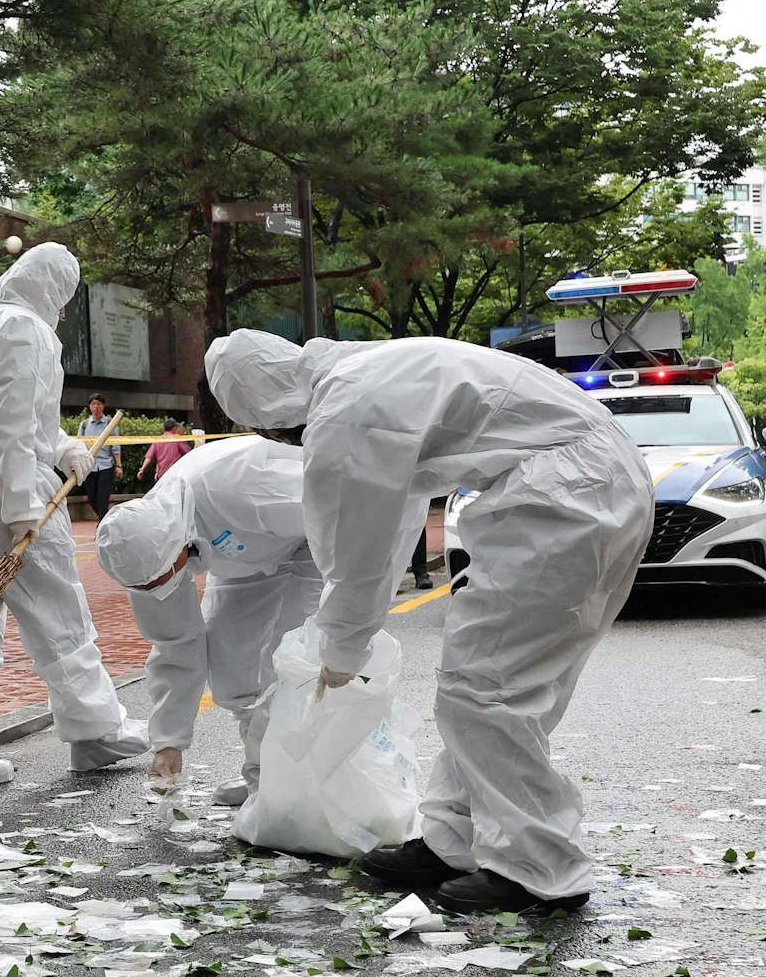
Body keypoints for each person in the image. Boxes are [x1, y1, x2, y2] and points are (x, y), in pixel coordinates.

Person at [204, 330, 651, 915]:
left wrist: (341, 647)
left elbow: (355, 546)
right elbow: (395, 520)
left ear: (263, 407)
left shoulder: (346, 406)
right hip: (591, 482)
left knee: (485, 692)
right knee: (488, 688)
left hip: (563, 496)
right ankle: (456, 840)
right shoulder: (370, 368)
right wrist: (349, 634)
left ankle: (541, 868)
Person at [0, 242, 148, 790]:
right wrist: (23, 506)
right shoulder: (28, 330)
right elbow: (11, 424)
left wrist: (65, 448)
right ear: (51, 289)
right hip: (4, 493)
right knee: (58, 614)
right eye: (63, 299)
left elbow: (18, 423)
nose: (61, 312)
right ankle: (95, 732)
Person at [94, 435, 320, 807]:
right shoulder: (143, 546)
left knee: (295, 661)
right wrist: (169, 742)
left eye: (160, 580)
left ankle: (304, 782)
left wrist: (355, 603)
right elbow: (175, 643)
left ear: (179, 546)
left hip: (317, 540)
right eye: (144, 587)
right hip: (245, 555)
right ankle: (263, 778)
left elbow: (345, 508)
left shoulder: (245, 488)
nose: (157, 590)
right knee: (234, 672)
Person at [78, 394, 121, 518]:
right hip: (89, 465)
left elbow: (116, 446)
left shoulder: (110, 423)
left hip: (106, 466)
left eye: (98, 404)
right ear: (90, 407)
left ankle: (102, 524)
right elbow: (79, 444)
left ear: (103, 406)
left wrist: (119, 465)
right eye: (93, 404)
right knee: (92, 497)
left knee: (103, 498)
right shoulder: (85, 424)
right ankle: (107, 519)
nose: (96, 407)